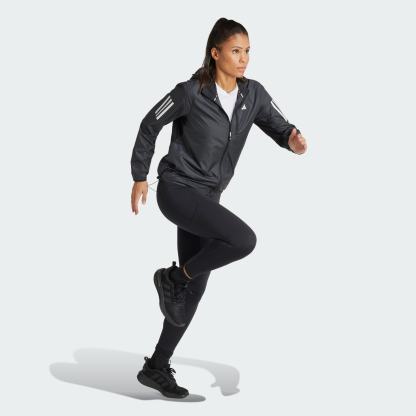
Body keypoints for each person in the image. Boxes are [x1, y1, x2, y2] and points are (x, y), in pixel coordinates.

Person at [131, 17, 307, 399]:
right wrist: (140, 175)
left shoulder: (253, 94)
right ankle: (172, 278)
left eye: (248, 51)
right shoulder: (191, 92)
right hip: (177, 191)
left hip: (208, 199)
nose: (244, 59)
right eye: (235, 51)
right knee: (243, 239)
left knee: (192, 294)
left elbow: (280, 126)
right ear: (215, 53)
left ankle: (156, 367)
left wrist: (291, 140)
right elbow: (149, 123)